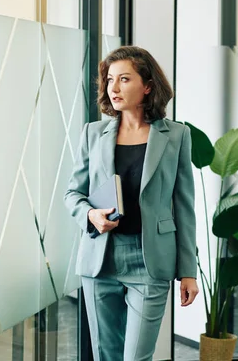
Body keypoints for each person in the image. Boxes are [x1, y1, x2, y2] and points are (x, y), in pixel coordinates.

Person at [64, 46, 198, 361]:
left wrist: (188, 271)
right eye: (110, 79)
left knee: (137, 356)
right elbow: (73, 193)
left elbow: (185, 207)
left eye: (124, 79)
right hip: (101, 259)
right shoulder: (92, 134)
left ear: (148, 85)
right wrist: (90, 215)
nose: (113, 88)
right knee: (105, 354)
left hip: (150, 259)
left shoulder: (176, 136)